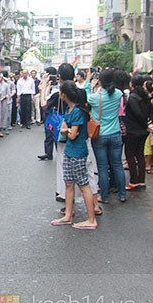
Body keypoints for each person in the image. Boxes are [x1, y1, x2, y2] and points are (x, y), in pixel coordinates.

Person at [51, 81, 97, 230]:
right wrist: (67, 129)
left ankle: (91, 220)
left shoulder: (77, 111)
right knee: (69, 183)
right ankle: (68, 215)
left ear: (64, 94)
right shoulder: (70, 109)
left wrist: (66, 130)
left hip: (78, 151)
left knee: (83, 185)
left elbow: (72, 134)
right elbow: (67, 129)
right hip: (70, 151)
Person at [85, 69, 126, 203]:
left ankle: (105, 196)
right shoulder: (118, 94)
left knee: (102, 167)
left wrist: (89, 82)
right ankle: (122, 194)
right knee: (117, 165)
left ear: (100, 81)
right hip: (115, 133)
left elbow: (85, 97)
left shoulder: (95, 97)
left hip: (100, 135)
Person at [124, 75, 153, 190]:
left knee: (130, 154)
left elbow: (137, 114)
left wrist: (145, 124)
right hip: (144, 131)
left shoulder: (133, 97)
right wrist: (149, 124)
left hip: (133, 130)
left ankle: (134, 180)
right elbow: (152, 113)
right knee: (139, 154)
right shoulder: (146, 96)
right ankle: (141, 180)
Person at [38, 66, 59, 161]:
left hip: (56, 112)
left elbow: (44, 102)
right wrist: (45, 85)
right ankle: (48, 153)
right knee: (48, 132)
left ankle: (60, 153)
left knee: (57, 134)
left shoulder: (58, 87)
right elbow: (44, 97)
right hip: (48, 112)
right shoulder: (45, 84)